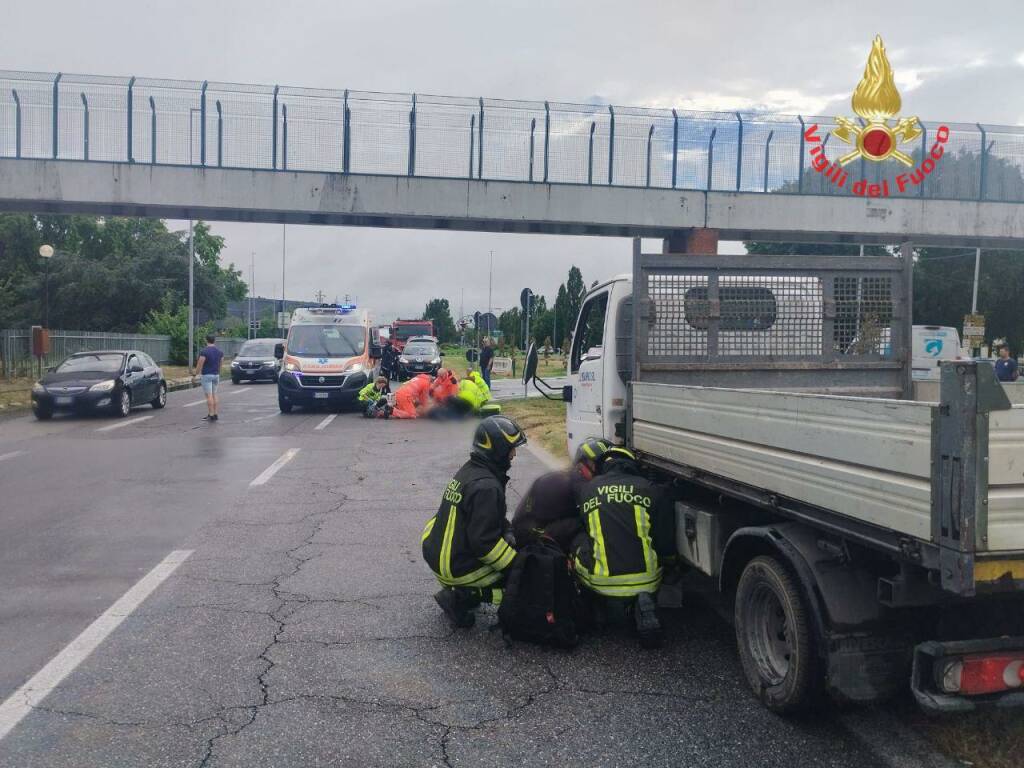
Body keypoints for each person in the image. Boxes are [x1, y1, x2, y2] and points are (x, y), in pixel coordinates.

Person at [422, 415, 528, 627]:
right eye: (511, 448)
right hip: (459, 567)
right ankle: (463, 597)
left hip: (439, 554)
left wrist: (508, 531)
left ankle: (460, 589)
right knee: (523, 586)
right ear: (497, 450)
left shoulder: (471, 470)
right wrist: (517, 567)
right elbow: (484, 544)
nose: (514, 454)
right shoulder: (487, 486)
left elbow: (486, 519)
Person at [571, 446, 675, 648]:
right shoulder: (651, 489)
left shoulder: (588, 490)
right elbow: (665, 540)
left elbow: (588, 528)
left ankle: (595, 605)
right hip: (649, 580)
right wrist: (670, 564)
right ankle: (644, 604)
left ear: (604, 467)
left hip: (600, 580)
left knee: (580, 539)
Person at [511, 436, 611, 550]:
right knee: (582, 525)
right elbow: (532, 528)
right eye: (599, 467)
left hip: (547, 533)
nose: (604, 473)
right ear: (581, 465)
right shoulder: (557, 484)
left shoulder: (584, 483)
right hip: (531, 540)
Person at [193, 334, 224, 422]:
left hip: (207, 375)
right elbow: (220, 364)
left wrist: (195, 374)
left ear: (206, 340)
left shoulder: (204, 352)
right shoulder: (220, 352)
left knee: (209, 396)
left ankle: (210, 414)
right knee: (215, 394)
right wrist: (218, 372)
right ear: (215, 340)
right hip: (216, 375)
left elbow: (200, 364)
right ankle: (215, 413)